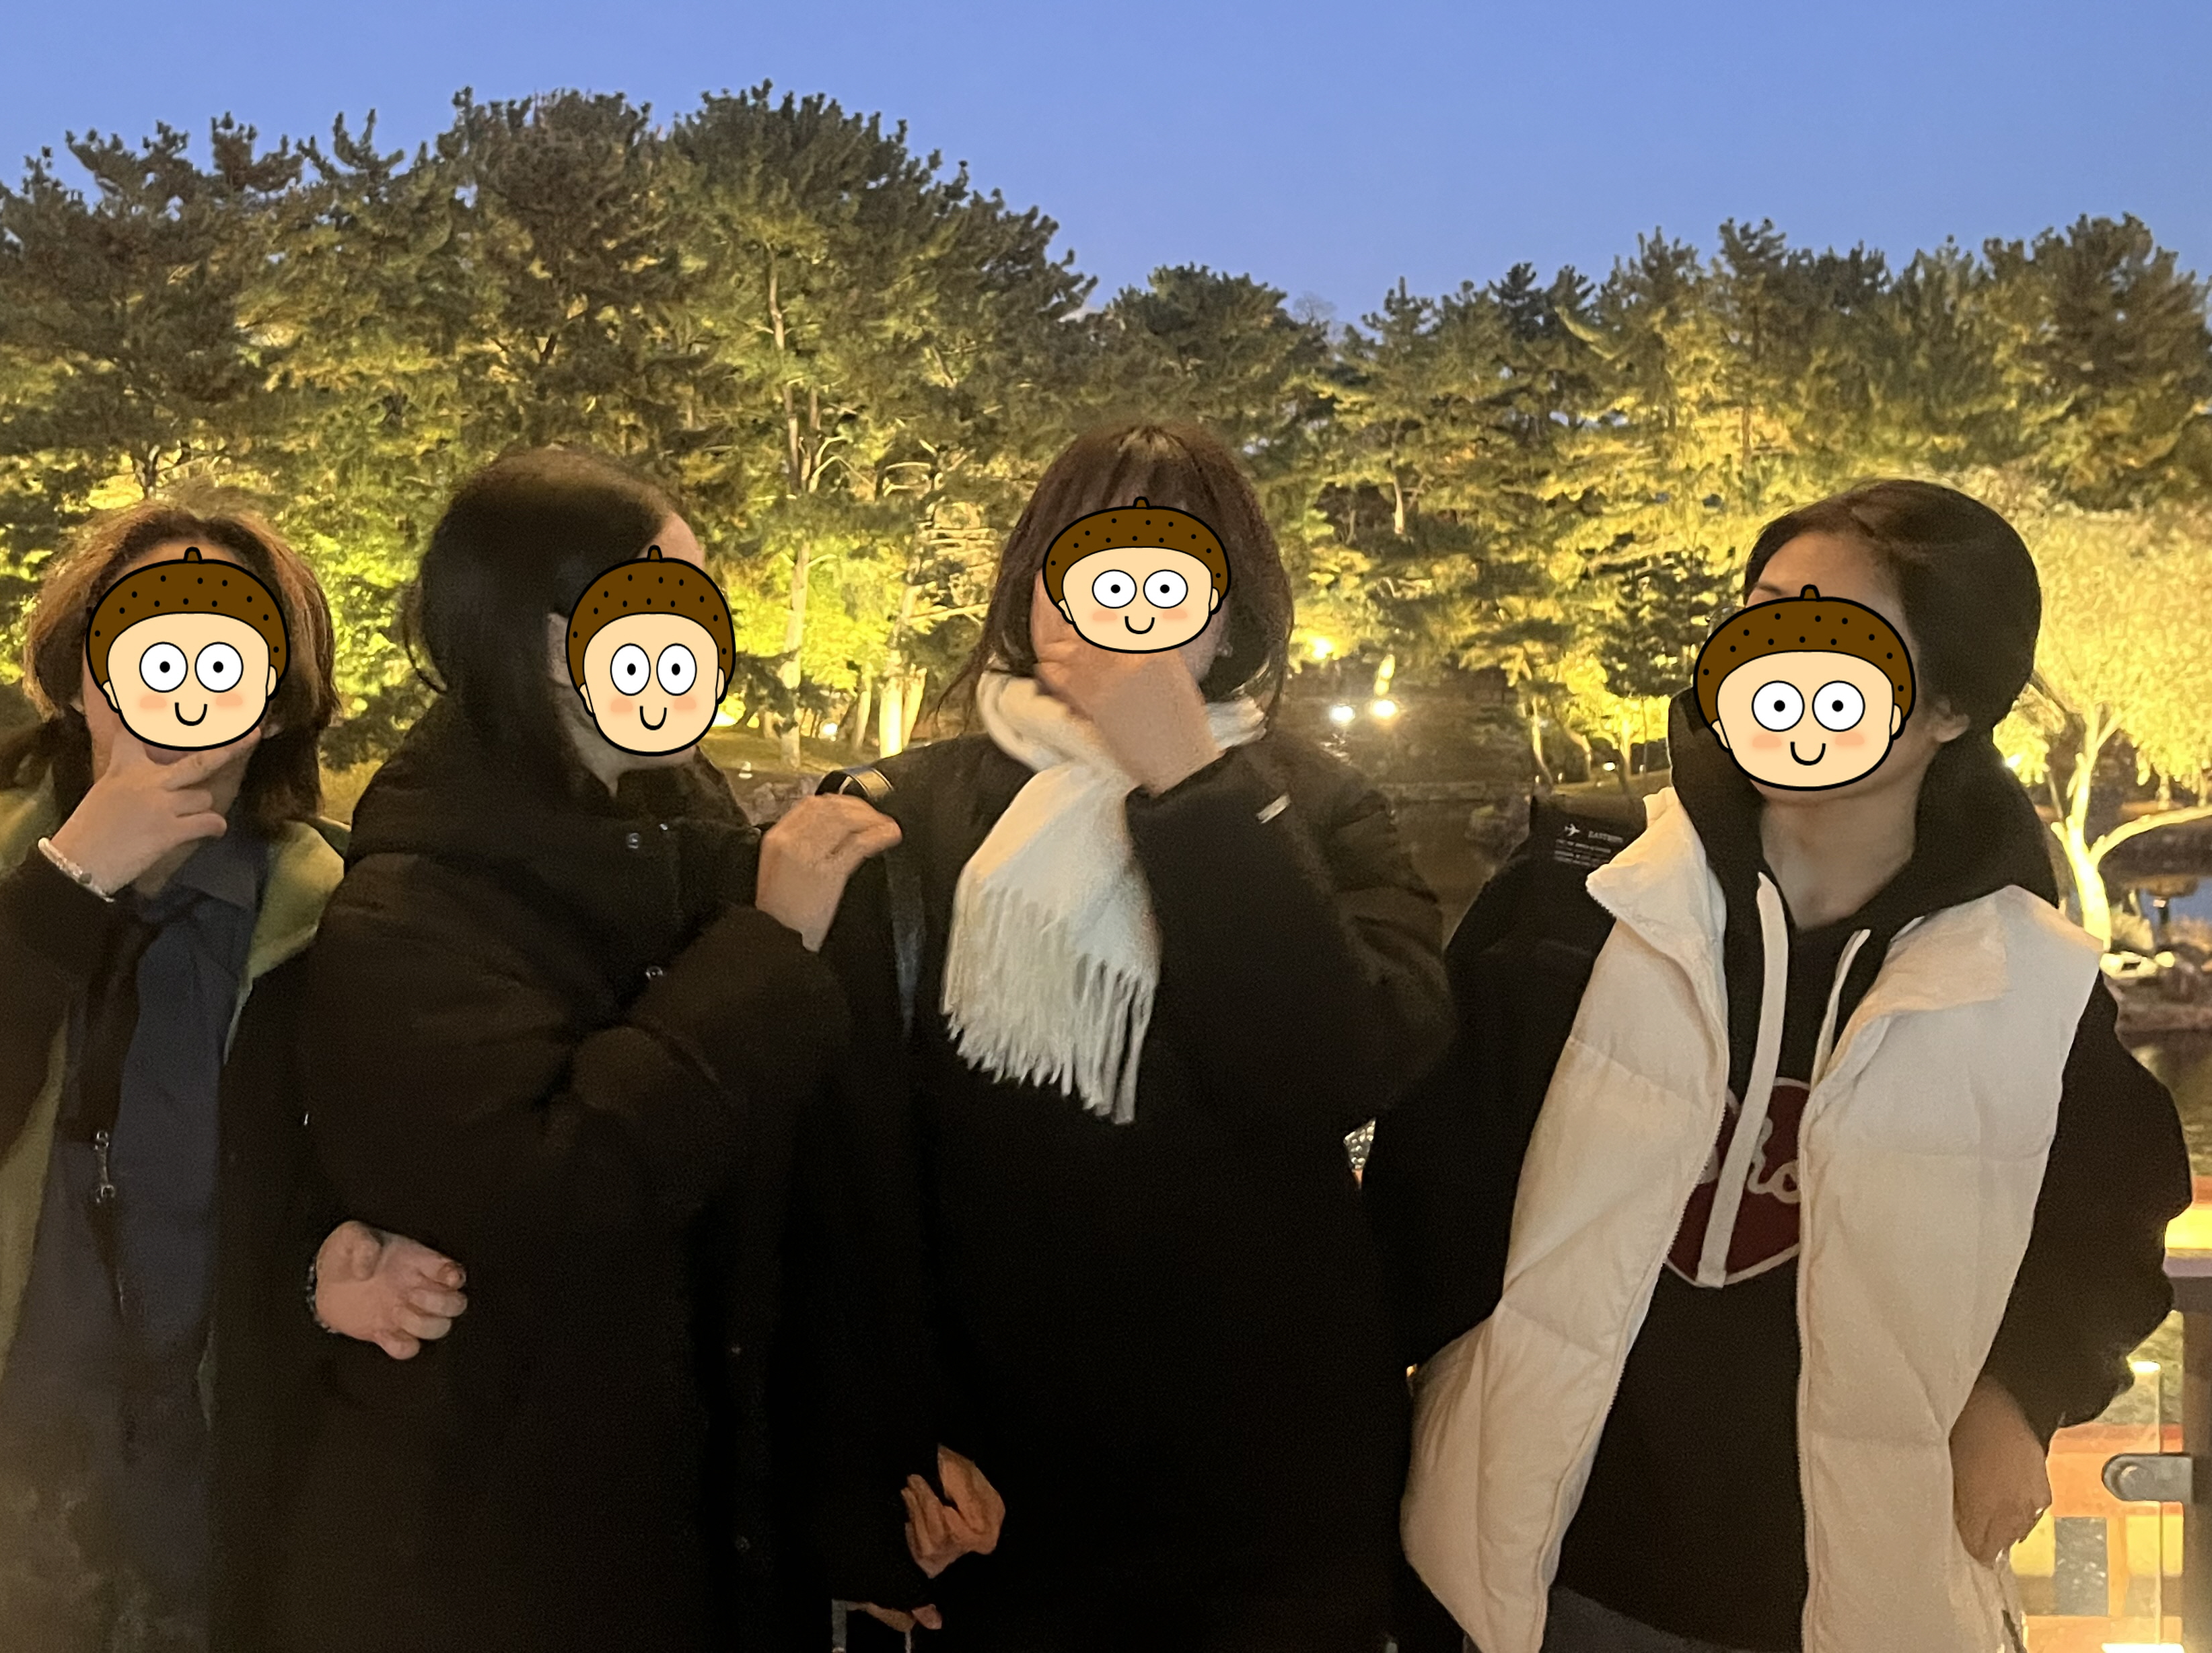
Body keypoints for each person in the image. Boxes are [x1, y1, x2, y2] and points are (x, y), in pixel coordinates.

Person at [1367, 480, 2193, 1653]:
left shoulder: (2026, 986)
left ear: (1951, 702)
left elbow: (2108, 1227)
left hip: (1857, 1589)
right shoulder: (1580, 904)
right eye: (1762, 616)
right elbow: (1425, 1200)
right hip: (1546, 1572)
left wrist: (2022, 1388)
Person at [0, 492, 467, 1653]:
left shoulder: (340, 916)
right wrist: (61, 887)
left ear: (277, 698)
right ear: (78, 675)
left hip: (208, 1554)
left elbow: (353, 1191)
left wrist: (319, 1275)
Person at [797, 421, 1454, 1651]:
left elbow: (1341, 1064)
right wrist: (869, 1464)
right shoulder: (910, 814)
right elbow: (842, 1167)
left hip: (1268, 1486)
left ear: (1231, 613)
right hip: (996, 1485)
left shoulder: (1312, 806)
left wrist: (1191, 788)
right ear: (1032, 591)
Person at [268, 447, 903, 1653]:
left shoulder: (691, 847)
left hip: (696, 1523)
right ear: (545, 638)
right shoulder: (414, 904)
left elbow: (798, 1205)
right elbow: (550, 1200)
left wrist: (866, 1480)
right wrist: (767, 950)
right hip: (490, 1550)